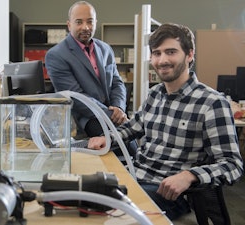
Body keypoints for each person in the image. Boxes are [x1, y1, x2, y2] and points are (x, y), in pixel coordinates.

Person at [88, 23, 244, 220]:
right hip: (135, 178)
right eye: (156, 53)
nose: (162, 60)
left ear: (189, 55)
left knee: (110, 218)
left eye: (171, 52)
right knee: (84, 199)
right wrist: (107, 138)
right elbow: (131, 128)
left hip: (169, 193)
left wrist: (190, 176)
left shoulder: (212, 103)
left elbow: (232, 164)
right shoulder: (155, 94)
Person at [45, 1, 127, 137]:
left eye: (90, 22)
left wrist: (118, 108)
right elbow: (76, 96)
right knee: (119, 144)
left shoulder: (105, 49)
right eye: (79, 22)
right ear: (69, 25)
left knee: (134, 146)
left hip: (113, 113)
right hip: (84, 118)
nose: (85, 27)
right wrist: (111, 115)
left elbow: (117, 83)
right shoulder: (56, 55)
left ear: (95, 22)